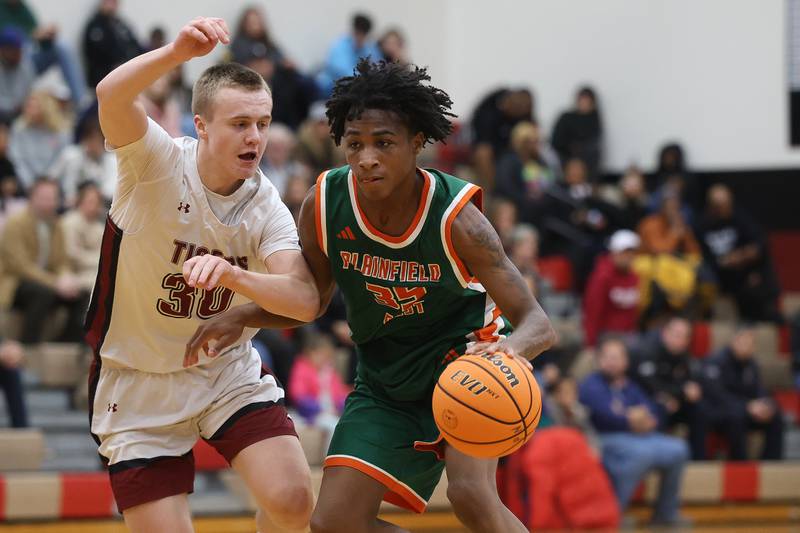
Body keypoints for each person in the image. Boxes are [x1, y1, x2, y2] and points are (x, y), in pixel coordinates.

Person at [185, 59, 556, 533]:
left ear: (417, 142)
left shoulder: (457, 218)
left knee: (470, 495)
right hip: (384, 381)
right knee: (332, 524)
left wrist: (508, 354)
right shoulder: (324, 202)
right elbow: (311, 302)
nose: (366, 158)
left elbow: (537, 322)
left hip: (462, 368)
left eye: (384, 143)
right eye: (354, 144)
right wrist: (244, 316)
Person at [88, 17, 318, 533]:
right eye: (240, 123)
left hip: (223, 371)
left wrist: (236, 281)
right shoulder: (156, 161)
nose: (254, 137)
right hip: (138, 377)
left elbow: (303, 300)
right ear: (201, 125)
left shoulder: (268, 206)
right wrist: (175, 52)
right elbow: (110, 95)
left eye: (262, 123)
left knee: (293, 498)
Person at [579, 336, 688, 525]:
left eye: (617, 357)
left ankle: (665, 514)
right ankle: (612, 516)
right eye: (608, 357)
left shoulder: (630, 385)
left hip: (639, 436)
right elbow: (604, 416)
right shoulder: (591, 384)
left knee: (678, 449)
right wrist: (630, 419)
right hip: (605, 438)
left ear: (626, 361)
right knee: (640, 454)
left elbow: (651, 410)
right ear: (599, 360)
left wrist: (644, 419)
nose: (612, 362)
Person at [0, 177, 86, 345]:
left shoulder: (57, 224)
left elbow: (62, 261)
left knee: (81, 293)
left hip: (45, 280)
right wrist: (55, 282)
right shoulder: (15, 223)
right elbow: (20, 266)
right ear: (32, 197)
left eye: (53, 198)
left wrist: (66, 277)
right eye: (45, 198)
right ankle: (29, 344)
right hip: (15, 282)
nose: (50, 203)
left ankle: (67, 342)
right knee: (42, 292)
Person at [697, 184, 782, 323]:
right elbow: (702, 257)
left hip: (744, 266)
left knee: (762, 266)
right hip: (719, 272)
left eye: (728, 203)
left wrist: (746, 254)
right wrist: (725, 261)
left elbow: (759, 240)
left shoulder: (739, 217)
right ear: (711, 206)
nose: (726, 208)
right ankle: (750, 317)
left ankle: (769, 310)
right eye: (721, 205)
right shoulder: (701, 225)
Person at [629, 317, 708, 459]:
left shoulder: (685, 356)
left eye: (685, 337)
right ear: (665, 333)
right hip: (646, 400)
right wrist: (677, 393)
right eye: (677, 335)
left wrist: (684, 393)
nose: (681, 340)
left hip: (674, 400)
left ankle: (698, 459)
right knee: (660, 407)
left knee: (700, 409)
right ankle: (657, 458)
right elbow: (649, 385)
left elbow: (691, 381)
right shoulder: (647, 350)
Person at [701, 325, 784, 460]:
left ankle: (770, 463)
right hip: (719, 412)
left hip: (745, 410)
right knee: (737, 417)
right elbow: (716, 395)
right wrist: (747, 406)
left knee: (774, 416)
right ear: (734, 341)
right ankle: (740, 464)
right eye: (744, 342)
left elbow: (759, 390)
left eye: (751, 343)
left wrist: (765, 405)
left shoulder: (751, 364)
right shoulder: (716, 361)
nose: (747, 346)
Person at [582, 230, 641, 348]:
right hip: (606, 335)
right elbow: (593, 311)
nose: (629, 257)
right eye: (625, 252)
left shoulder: (634, 277)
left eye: (632, 253)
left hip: (628, 334)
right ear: (614, 253)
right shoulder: (602, 277)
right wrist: (590, 343)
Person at [48, 114, 117, 205]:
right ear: (84, 139)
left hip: (98, 208)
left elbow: (110, 192)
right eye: (90, 139)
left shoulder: (111, 160)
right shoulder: (70, 154)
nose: (93, 144)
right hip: (67, 205)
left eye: (97, 140)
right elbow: (51, 178)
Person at [316, 13, 381, 97]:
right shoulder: (339, 45)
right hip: (331, 86)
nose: (360, 38)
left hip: (358, 85)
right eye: (358, 33)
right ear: (353, 30)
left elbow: (378, 66)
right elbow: (344, 73)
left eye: (363, 35)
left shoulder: (369, 47)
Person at [82, 0, 143, 88]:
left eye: (114, 2)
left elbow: (135, 44)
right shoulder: (95, 26)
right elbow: (96, 54)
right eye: (108, 2)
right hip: (104, 75)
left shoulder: (121, 24)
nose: (111, 5)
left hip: (127, 70)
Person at [551, 87, 602, 180]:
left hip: (584, 157)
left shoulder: (594, 119)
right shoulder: (566, 117)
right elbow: (556, 140)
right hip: (564, 154)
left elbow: (593, 140)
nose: (584, 103)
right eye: (582, 100)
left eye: (587, 101)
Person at [61, 182, 105, 291]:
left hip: (92, 268)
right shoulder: (70, 222)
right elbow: (72, 254)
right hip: (73, 271)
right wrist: (100, 260)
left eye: (97, 202)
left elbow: (104, 251)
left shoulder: (99, 226)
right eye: (90, 202)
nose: (94, 206)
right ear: (80, 202)